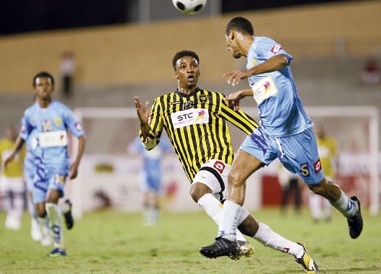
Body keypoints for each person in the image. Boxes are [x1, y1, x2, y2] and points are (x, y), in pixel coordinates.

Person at [200, 17, 363, 272]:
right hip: (266, 133)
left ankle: (351, 209)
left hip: (295, 135)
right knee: (235, 175)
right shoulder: (253, 64)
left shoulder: (261, 46)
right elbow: (269, 87)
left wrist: (247, 73)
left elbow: (283, 60)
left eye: (226, 42)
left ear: (233, 35)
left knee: (319, 187)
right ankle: (227, 237)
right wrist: (242, 93)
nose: (227, 48)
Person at [135, 50, 318, 270]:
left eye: (194, 65)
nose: (189, 69)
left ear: (199, 71)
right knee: (252, 227)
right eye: (183, 66)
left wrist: (280, 150)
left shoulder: (215, 100)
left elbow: (251, 127)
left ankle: (234, 240)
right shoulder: (163, 105)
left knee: (197, 190)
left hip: (219, 164)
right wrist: (144, 125)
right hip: (200, 175)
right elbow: (149, 143)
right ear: (176, 73)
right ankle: (298, 251)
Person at [4, 71, 86, 257]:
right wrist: (13, 154)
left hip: (59, 164)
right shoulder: (30, 114)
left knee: (50, 202)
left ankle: (59, 246)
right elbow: (23, 136)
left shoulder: (63, 111)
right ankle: (65, 208)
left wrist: (75, 164)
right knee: (40, 211)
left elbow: (81, 136)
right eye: (40, 85)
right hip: (40, 168)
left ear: (52, 87)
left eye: (47, 85)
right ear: (34, 89)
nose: (44, 88)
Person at [128, 135, 173, 226]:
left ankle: (154, 218)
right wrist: (139, 158)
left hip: (157, 171)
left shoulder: (160, 140)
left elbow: (170, 150)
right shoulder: (141, 139)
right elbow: (131, 149)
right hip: (145, 171)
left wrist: (162, 158)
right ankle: (146, 217)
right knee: (145, 194)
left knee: (155, 196)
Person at [0, 124, 26, 230]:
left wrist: (25, 174)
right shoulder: (1, 144)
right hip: (5, 176)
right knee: (4, 198)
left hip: (17, 176)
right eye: (10, 132)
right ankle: (10, 216)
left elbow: (25, 160)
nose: (11, 134)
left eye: (13, 132)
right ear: (7, 132)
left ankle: (17, 219)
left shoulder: (20, 146)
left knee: (18, 199)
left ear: (16, 132)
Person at [309, 123, 339, 222]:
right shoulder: (313, 142)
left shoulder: (330, 142)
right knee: (315, 194)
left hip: (328, 173)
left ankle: (327, 215)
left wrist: (337, 168)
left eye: (320, 131)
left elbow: (335, 157)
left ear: (323, 131)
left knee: (328, 194)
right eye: (317, 131)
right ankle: (316, 216)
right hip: (315, 173)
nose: (318, 133)